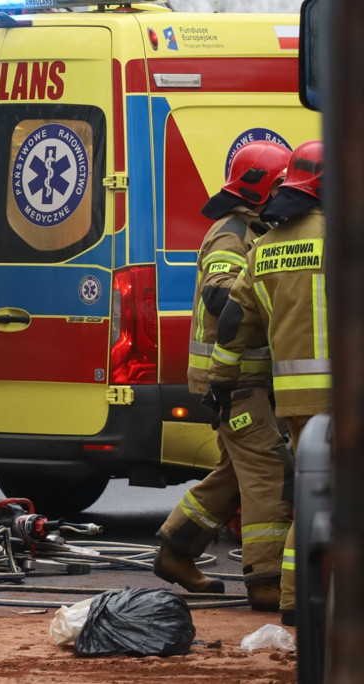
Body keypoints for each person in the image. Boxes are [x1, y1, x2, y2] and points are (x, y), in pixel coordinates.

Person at [153, 141, 293, 611]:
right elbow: (218, 296)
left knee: (234, 474)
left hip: (239, 379)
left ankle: (176, 551)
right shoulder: (232, 235)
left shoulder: (253, 229)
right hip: (236, 379)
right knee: (269, 473)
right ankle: (266, 580)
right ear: (262, 189)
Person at [207, 139, 329, 627]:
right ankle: (314, 599)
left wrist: (219, 380)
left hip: (297, 401)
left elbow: (234, 321)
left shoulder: (265, 247)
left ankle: (299, 599)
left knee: (313, 497)